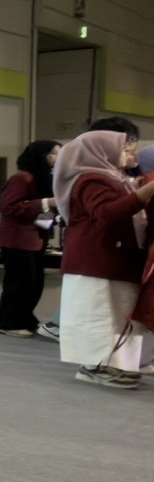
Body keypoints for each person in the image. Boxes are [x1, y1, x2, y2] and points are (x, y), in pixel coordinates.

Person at [54, 130, 154, 389]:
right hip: (95, 260)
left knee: (120, 314)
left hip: (117, 258)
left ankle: (119, 363)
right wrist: (146, 192)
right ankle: (95, 365)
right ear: (101, 152)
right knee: (100, 315)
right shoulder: (90, 179)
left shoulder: (115, 178)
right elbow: (106, 214)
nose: (131, 154)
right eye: (125, 149)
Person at [0, 140, 59, 338]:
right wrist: (46, 202)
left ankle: (22, 318)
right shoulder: (22, 178)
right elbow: (10, 207)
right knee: (19, 283)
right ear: (42, 156)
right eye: (54, 153)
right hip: (18, 239)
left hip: (34, 238)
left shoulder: (42, 178)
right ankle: (6, 322)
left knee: (33, 283)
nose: (57, 158)